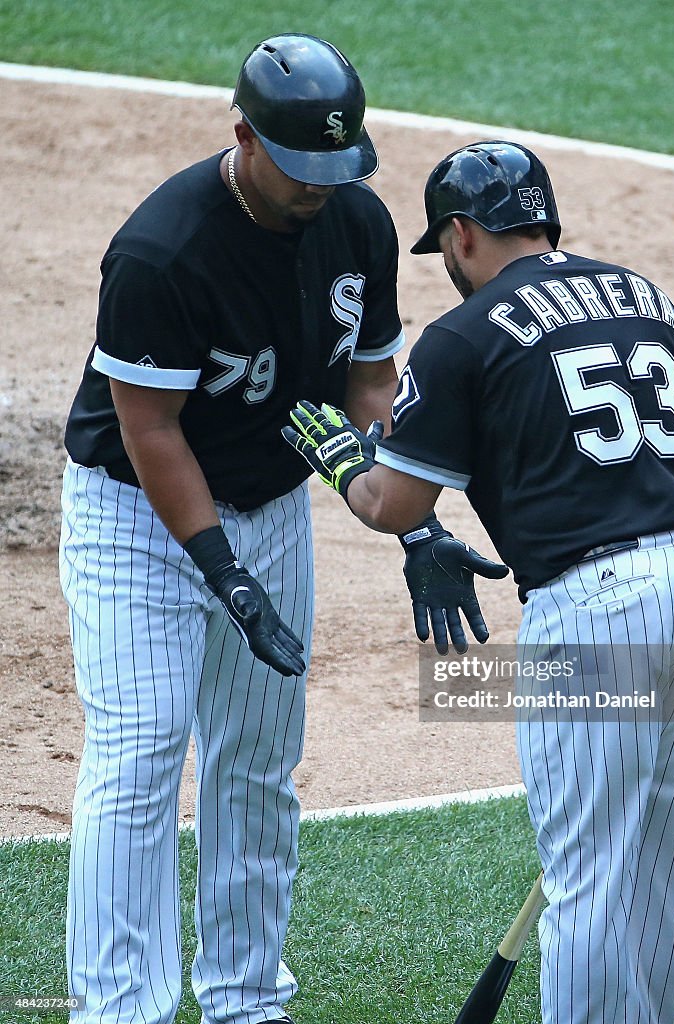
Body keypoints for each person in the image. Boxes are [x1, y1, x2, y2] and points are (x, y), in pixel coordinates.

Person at [58, 32, 496, 1024]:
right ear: (244, 136)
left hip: (272, 505)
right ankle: (120, 1009)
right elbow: (150, 429)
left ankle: (247, 1001)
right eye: (302, 169)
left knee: (256, 761)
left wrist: (416, 529)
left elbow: (371, 386)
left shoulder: (358, 224)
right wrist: (224, 571)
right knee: (139, 753)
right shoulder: (162, 251)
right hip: (139, 519)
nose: (319, 189)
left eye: (337, 168)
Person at [283, 141, 674, 1024]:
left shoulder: (460, 337)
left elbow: (395, 503)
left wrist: (346, 463)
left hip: (599, 614)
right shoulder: (647, 296)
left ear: (460, 235)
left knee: (586, 883)